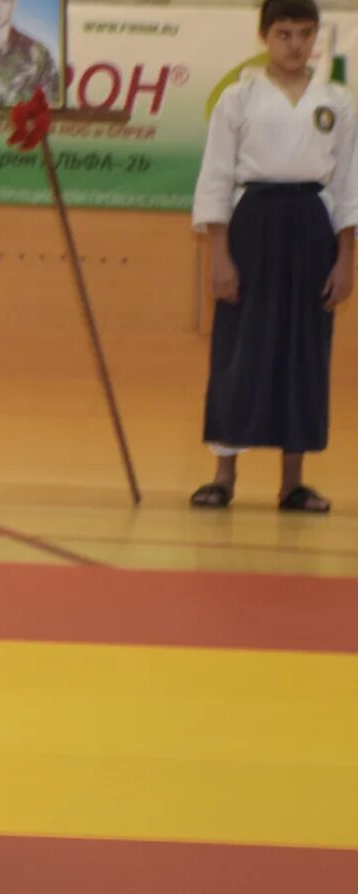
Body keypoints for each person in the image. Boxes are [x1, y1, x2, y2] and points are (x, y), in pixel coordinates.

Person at [190, 0, 355, 513]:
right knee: (238, 348)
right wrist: (219, 253)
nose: (295, 45)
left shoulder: (337, 103)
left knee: (305, 351)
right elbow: (217, 175)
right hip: (253, 223)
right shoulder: (238, 98)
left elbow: (348, 185)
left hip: (312, 226)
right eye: (284, 34)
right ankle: (224, 475)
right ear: (264, 36)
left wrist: (346, 258)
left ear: (316, 38)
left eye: (305, 34)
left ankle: (292, 482)